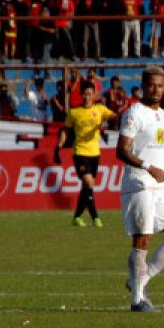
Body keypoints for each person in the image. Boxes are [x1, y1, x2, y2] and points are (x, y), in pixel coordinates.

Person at [117, 66, 164, 313]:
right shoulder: (134, 113)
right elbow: (121, 150)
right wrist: (148, 166)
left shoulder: (162, 116)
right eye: (151, 85)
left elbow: (161, 151)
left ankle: (140, 280)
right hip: (138, 183)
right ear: (143, 86)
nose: (156, 90)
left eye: (160, 85)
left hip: (159, 185)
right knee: (142, 239)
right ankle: (137, 300)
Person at [56, 80, 117, 228]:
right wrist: (58, 147)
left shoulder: (100, 109)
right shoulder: (74, 112)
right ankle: (96, 217)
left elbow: (114, 116)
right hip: (80, 152)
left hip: (95, 153)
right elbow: (65, 130)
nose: (87, 97)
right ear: (81, 95)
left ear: (94, 95)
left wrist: (112, 119)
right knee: (89, 183)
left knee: (86, 188)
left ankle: (77, 217)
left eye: (89, 94)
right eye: (84, 94)